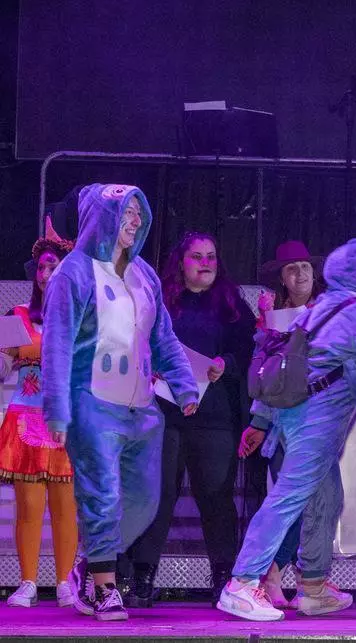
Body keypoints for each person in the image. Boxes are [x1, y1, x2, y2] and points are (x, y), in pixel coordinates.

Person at [42, 184, 199, 621]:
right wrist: (57, 409)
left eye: (138, 212)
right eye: (125, 212)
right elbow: (56, 344)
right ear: (102, 217)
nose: (134, 220)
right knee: (102, 494)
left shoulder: (145, 274)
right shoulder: (73, 273)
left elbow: (163, 336)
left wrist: (184, 384)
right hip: (91, 401)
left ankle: (91, 561)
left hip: (142, 409)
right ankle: (105, 587)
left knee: (146, 502)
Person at [219, 239, 356, 621]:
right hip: (317, 419)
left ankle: (313, 587)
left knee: (326, 497)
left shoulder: (321, 307)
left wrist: (263, 419)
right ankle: (242, 583)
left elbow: (292, 359)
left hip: (296, 414)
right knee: (288, 497)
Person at [124, 232, 256, 607]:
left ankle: (223, 579)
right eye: (197, 256)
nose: (205, 263)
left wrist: (225, 364)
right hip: (164, 415)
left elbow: (249, 349)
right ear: (180, 262)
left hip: (214, 418)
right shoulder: (161, 302)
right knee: (157, 496)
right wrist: (150, 368)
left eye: (211, 256)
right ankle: (142, 579)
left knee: (216, 499)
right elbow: (136, 342)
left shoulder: (232, 304)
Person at [243, 240, 328, 607]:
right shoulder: (273, 320)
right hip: (283, 424)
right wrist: (259, 422)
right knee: (292, 500)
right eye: (292, 269)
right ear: (282, 278)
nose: (301, 273)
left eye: (305, 267)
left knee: (316, 503)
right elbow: (263, 376)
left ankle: (300, 579)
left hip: (319, 420)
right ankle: (272, 573)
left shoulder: (327, 312)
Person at [1, 230, 78, 608]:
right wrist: (6, 358)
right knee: (29, 508)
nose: (46, 274)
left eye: (54, 267)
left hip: (66, 420)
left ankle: (65, 582)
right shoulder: (17, 316)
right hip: (26, 418)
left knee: (66, 508)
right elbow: (3, 364)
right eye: (42, 267)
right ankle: (28, 582)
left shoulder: (82, 319)